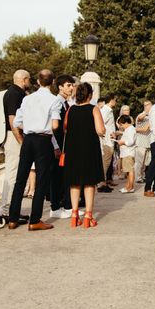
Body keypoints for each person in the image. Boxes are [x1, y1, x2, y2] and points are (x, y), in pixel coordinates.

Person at [8, 70, 61, 231]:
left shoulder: (27, 99)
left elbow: (17, 122)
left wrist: (31, 126)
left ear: (38, 81)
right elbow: (55, 125)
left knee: (20, 179)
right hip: (43, 140)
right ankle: (35, 219)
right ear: (52, 82)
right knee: (42, 180)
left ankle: (13, 218)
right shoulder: (54, 100)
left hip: (28, 139)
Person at [62, 83, 105, 228]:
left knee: (74, 182)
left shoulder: (71, 110)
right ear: (90, 95)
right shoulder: (94, 109)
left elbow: (65, 128)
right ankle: (88, 216)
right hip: (89, 148)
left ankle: (74, 215)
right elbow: (100, 130)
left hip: (73, 149)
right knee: (89, 182)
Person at [0, 69, 30, 221]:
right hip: (14, 136)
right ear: (24, 80)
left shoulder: (13, 93)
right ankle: (7, 210)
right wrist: (20, 140)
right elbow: (12, 119)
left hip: (14, 136)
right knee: (13, 173)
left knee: (15, 173)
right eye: (28, 80)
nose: (29, 83)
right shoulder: (15, 94)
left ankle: (11, 209)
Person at [49, 74, 74, 219]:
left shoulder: (67, 103)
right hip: (57, 145)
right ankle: (55, 207)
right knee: (56, 176)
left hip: (65, 145)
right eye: (68, 85)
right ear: (60, 87)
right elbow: (52, 127)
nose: (71, 88)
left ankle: (67, 206)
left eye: (71, 85)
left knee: (65, 176)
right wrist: (55, 146)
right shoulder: (57, 103)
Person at [98, 95, 117, 192]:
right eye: (115, 100)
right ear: (111, 100)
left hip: (109, 139)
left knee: (106, 162)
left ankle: (103, 181)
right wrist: (110, 133)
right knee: (105, 162)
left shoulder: (106, 110)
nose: (116, 102)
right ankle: (102, 183)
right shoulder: (107, 110)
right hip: (107, 140)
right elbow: (101, 122)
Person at [116, 115, 136, 193]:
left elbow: (130, 142)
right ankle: (128, 186)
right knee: (128, 171)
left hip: (128, 153)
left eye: (121, 124)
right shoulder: (128, 129)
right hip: (126, 153)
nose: (121, 126)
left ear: (126, 122)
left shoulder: (131, 129)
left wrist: (122, 142)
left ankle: (130, 187)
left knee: (130, 171)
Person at [134, 100, 152, 184]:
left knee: (146, 162)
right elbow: (140, 119)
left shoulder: (151, 116)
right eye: (146, 105)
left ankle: (142, 176)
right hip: (141, 142)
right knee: (139, 162)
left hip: (148, 142)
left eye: (149, 105)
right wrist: (146, 112)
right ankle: (138, 178)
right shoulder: (141, 115)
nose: (148, 106)